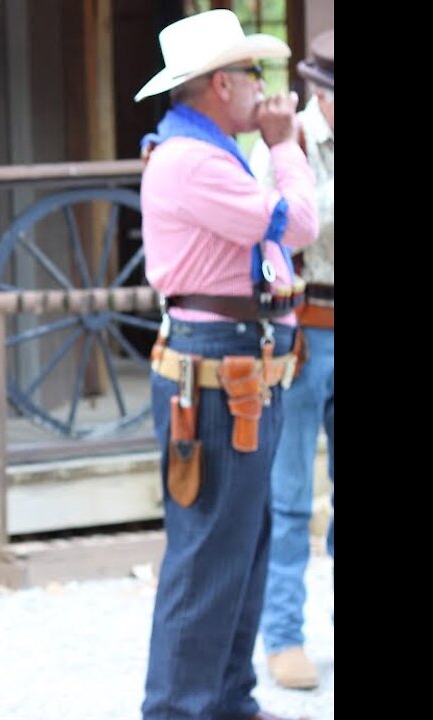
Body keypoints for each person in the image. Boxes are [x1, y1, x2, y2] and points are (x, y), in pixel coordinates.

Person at [133, 9, 319, 720]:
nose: (263, 89)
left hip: (234, 364)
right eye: (253, 74)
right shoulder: (194, 161)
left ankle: (227, 701)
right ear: (221, 84)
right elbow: (299, 225)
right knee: (210, 553)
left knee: (242, 544)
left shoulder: (203, 152)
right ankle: (181, 709)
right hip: (216, 366)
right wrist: (287, 146)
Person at [249, 29, 334, 692]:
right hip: (302, 327)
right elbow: (286, 227)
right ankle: (284, 633)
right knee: (290, 495)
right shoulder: (286, 146)